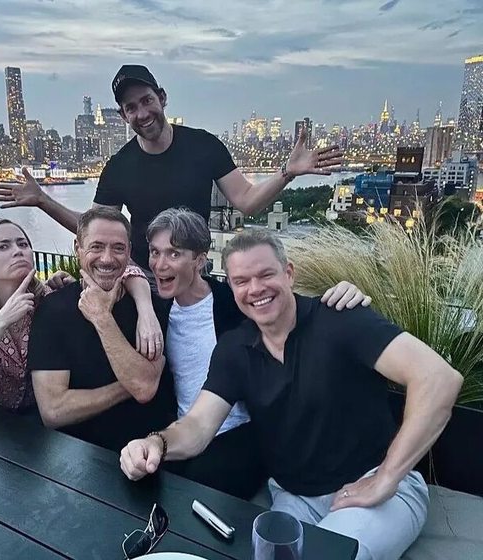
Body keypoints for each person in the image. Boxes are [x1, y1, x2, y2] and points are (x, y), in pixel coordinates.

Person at [120, 228, 463, 560]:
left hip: (375, 486)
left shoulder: (340, 320)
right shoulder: (235, 348)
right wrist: (156, 443)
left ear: (289, 273)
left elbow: (439, 378)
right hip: (293, 498)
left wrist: (387, 477)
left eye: (266, 274)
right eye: (241, 281)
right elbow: (197, 425)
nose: (255, 289)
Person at [0, 64, 343, 273]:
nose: (142, 113)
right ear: (123, 115)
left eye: (147, 101)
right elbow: (93, 228)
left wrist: (287, 172)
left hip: (195, 271)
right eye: (131, 108)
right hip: (144, 276)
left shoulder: (204, 145)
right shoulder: (119, 166)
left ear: (162, 97)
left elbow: (247, 201)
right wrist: (43, 200)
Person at [145, 208, 371, 499]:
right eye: (155, 252)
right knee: (145, 480)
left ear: (200, 260)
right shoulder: (157, 311)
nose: (160, 264)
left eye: (174, 253)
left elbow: (286, 309)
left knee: (194, 490)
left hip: (243, 433)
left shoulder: (235, 303)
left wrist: (347, 292)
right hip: (184, 431)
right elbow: (128, 274)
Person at [0, 217, 155, 409]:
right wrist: (0, 321)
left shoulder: (47, 297)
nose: (17, 251)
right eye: (3, 247)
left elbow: (123, 270)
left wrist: (146, 310)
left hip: (39, 424)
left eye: (23, 244)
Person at [27, 207, 176, 452]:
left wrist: (102, 317)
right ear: (78, 249)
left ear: (129, 251)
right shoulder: (53, 311)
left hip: (149, 449)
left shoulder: (150, 309)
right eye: (96, 247)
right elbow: (53, 410)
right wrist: (130, 384)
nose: (107, 259)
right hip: (78, 455)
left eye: (118, 248)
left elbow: (144, 387)